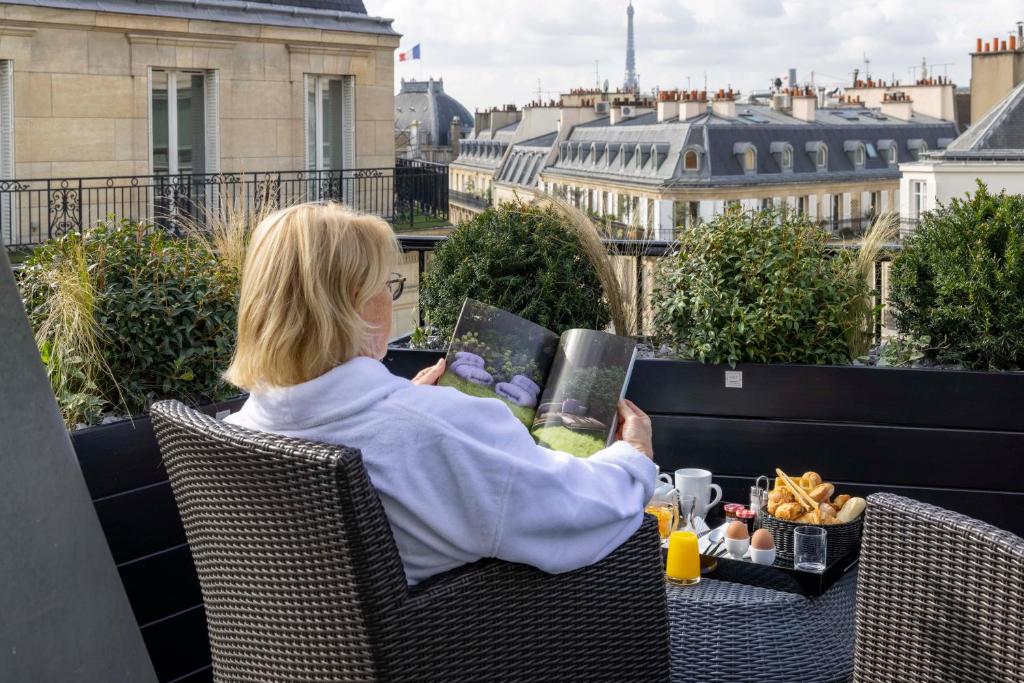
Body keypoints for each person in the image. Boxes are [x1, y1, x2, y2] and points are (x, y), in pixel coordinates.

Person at [223, 202, 658, 585]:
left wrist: (405, 407)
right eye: (387, 286)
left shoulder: (237, 432)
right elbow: (574, 513)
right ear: (354, 306)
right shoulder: (439, 431)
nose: (389, 301)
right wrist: (633, 456)